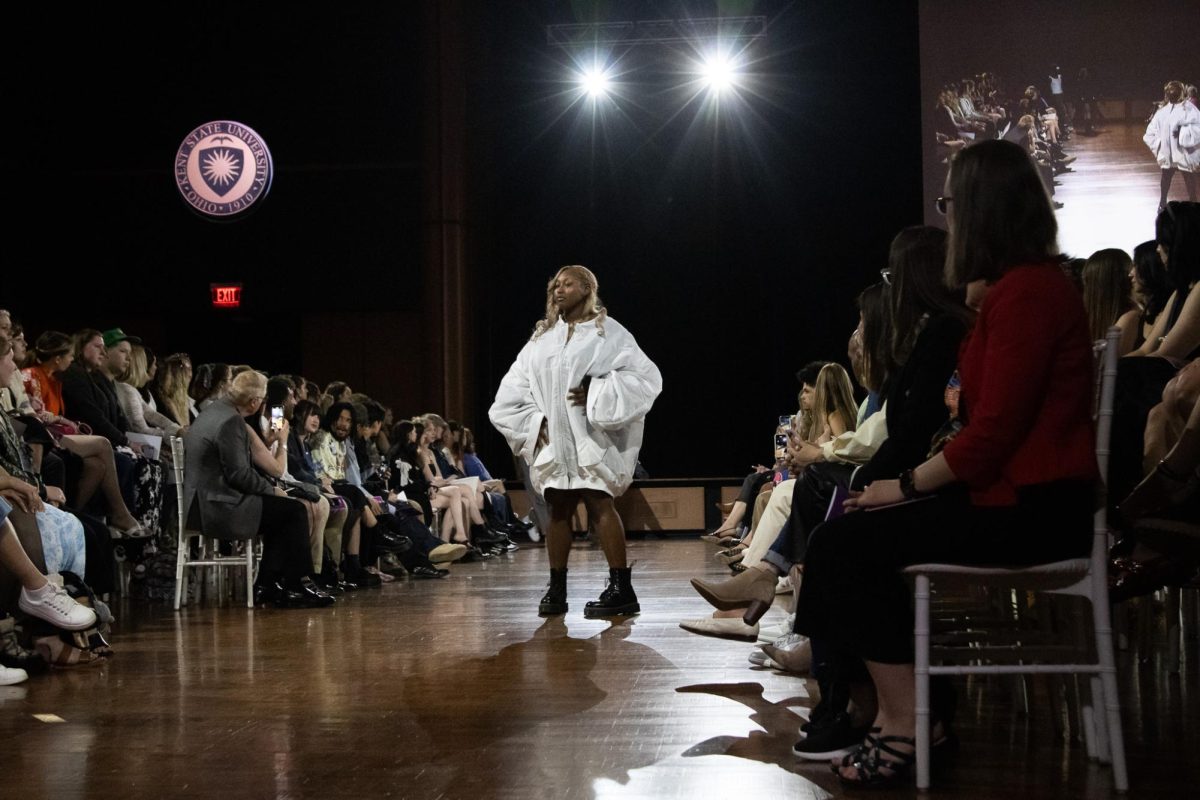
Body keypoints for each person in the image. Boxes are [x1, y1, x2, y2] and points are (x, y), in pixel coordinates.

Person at [795, 139, 1097, 786]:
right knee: (841, 536)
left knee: (843, 545)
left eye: (952, 203)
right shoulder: (1018, 294)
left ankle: (902, 721)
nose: (948, 217)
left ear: (982, 210)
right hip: (1015, 500)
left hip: (1035, 512)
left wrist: (901, 487)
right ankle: (896, 714)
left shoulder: (1029, 297)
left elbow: (988, 436)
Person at [490, 265, 662, 617]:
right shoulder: (543, 339)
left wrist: (598, 391)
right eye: (555, 284)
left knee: (600, 503)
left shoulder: (608, 334)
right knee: (558, 509)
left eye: (568, 283)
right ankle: (556, 588)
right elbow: (513, 388)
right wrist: (531, 422)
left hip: (591, 438)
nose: (558, 289)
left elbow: (644, 378)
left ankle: (621, 587)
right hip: (555, 440)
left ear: (587, 287)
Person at [183, 371, 334, 608]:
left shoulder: (212, 412)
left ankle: (268, 583)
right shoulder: (230, 421)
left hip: (204, 501)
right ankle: (296, 584)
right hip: (219, 506)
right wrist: (271, 490)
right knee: (293, 511)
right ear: (254, 402)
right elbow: (239, 474)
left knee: (282, 511)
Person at [1144, 80, 1200, 212]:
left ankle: (1194, 203)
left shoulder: (1189, 110)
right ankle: (1162, 202)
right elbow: (1150, 133)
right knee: (1166, 179)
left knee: (1189, 180)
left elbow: (1198, 127)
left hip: (1184, 153)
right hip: (1168, 153)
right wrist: (1160, 146)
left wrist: (1183, 133)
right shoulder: (1163, 112)